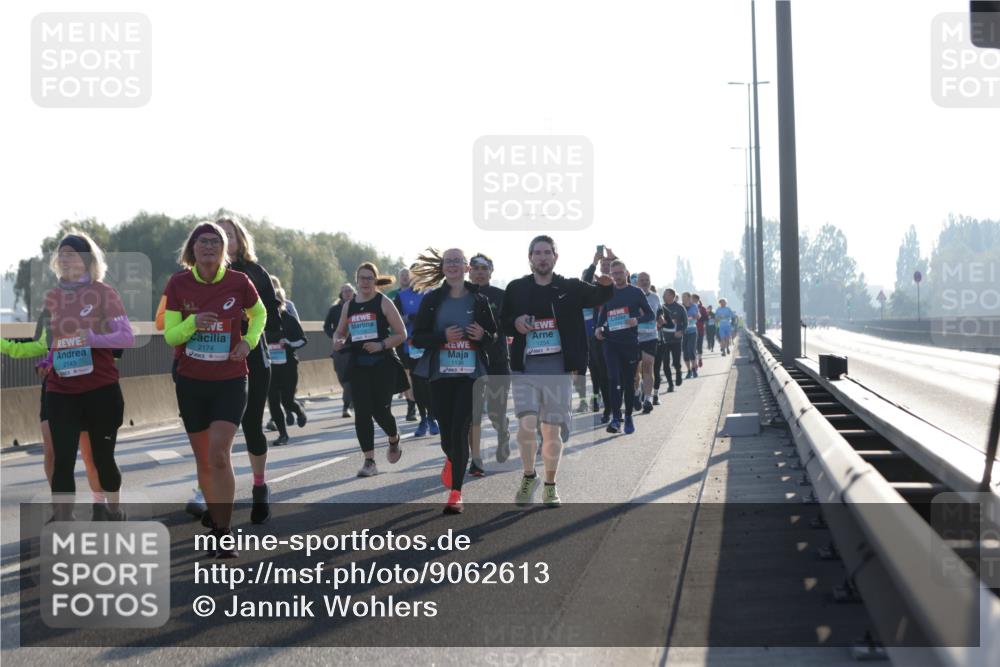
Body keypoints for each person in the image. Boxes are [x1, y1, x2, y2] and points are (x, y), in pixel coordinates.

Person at [3, 233, 133, 521]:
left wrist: (92, 338)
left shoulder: (103, 293)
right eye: (61, 255)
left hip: (101, 388)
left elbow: (126, 336)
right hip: (61, 390)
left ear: (87, 260)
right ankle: (63, 520)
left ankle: (112, 510)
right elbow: (56, 341)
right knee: (61, 460)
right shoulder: (54, 298)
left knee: (102, 460)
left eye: (70, 254)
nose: (64, 259)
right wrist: (49, 359)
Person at [164, 221, 265, 557]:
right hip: (191, 381)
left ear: (225, 250)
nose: (208, 247)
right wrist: (194, 323)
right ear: (192, 249)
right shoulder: (178, 283)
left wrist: (248, 342)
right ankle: (218, 521)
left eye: (215, 242)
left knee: (219, 454)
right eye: (202, 241)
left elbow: (259, 312)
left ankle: (224, 533)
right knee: (204, 461)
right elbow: (171, 335)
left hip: (230, 379)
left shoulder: (238, 281)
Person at [502, 235, 613, 507]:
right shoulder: (516, 288)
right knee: (526, 425)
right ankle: (529, 475)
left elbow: (599, 295)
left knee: (551, 432)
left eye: (547, 253)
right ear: (530, 258)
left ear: (555, 257)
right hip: (525, 368)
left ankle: (550, 484)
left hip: (557, 369)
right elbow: (502, 322)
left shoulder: (570, 287)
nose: (542, 257)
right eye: (537, 253)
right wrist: (515, 322)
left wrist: (606, 275)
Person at [411, 248, 498, 513]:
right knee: (447, 434)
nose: (452, 266)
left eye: (457, 262)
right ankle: (453, 458)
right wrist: (441, 337)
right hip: (440, 375)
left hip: (470, 376)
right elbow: (417, 338)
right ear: (443, 267)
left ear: (466, 267)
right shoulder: (432, 300)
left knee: (461, 428)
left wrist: (482, 334)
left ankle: (456, 493)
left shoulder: (479, 299)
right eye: (448, 262)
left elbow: (493, 336)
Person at [215, 217, 282, 525]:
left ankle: (259, 486)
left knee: (252, 425)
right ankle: (209, 492)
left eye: (228, 235)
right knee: (217, 430)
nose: (223, 241)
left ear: (240, 240)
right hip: (215, 360)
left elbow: (271, 316)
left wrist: (246, 320)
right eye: (217, 237)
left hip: (253, 357)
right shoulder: (201, 277)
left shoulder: (254, 273)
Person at [332, 263, 408, 477]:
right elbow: (339, 332)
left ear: (375, 281)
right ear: (356, 280)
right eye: (361, 278)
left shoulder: (383, 302)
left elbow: (401, 334)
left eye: (369, 278)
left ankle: (393, 438)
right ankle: (370, 461)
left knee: (380, 411)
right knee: (362, 413)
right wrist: (337, 341)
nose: (364, 282)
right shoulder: (349, 305)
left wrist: (381, 345)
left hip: (382, 363)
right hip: (358, 365)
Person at [595, 260, 654, 435]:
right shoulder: (607, 292)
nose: (617, 276)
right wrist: (598, 328)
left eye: (620, 273)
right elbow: (601, 314)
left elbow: (650, 314)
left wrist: (637, 320)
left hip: (629, 344)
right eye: (614, 274)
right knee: (613, 379)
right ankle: (616, 418)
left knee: (629, 382)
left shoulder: (635, 293)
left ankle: (628, 416)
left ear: (626, 273)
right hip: (610, 343)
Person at [468, 252, 510, 469]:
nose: (480, 273)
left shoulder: (501, 296)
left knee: (495, 412)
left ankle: (503, 432)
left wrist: (486, 332)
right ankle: (475, 459)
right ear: (469, 271)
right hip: (469, 362)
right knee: (472, 413)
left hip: (497, 360)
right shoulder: (461, 294)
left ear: (491, 272)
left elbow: (506, 326)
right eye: (476, 269)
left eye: (484, 269)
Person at [393, 266, 440, 437]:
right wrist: (410, 318)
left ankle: (433, 417)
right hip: (411, 346)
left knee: (430, 382)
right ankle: (423, 419)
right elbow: (395, 319)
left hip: (430, 345)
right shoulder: (401, 296)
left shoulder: (431, 293)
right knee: (418, 384)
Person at [266, 281, 308, 446]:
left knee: (287, 401)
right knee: (273, 401)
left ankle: (298, 410)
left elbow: (303, 340)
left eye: (276, 302)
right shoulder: (262, 321)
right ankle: (283, 434)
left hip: (288, 366)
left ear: (282, 302)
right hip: (269, 367)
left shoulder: (289, 320)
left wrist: (289, 342)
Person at [581, 248, 615, 422]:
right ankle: (608, 408)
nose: (607, 266)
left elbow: (624, 272)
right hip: (597, 335)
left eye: (609, 264)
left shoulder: (619, 283)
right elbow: (584, 282)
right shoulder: (594, 285)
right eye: (604, 264)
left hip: (617, 335)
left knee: (617, 373)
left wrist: (614, 257)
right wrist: (593, 263)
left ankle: (617, 408)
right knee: (602, 373)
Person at [323, 284, 356, 418]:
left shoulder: (357, 306)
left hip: (354, 348)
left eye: (349, 291)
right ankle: (351, 398)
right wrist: (334, 336)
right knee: (342, 378)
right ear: (341, 294)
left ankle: (346, 406)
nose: (347, 293)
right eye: (345, 291)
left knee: (349, 379)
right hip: (340, 349)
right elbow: (326, 326)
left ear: (353, 293)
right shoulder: (335, 309)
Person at [635, 272, 661, 413]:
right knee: (635, 372)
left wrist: (661, 318)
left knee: (648, 366)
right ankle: (637, 392)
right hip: (634, 337)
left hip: (650, 336)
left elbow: (660, 312)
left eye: (647, 280)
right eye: (642, 280)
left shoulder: (655, 297)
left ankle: (648, 398)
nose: (645, 282)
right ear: (637, 282)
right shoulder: (632, 295)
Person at [659, 288, 687, 392]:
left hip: (676, 339)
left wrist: (682, 332)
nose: (663, 296)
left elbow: (686, 322)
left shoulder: (680, 308)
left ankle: (678, 371)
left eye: (665, 295)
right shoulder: (661, 308)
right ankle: (670, 384)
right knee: (665, 363)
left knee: (676, 362)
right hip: (664, 339)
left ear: (672, 296)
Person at [682, 292, 699, 379]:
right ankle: (688, 371)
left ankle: (694, 369)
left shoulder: (694, 306)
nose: (683, 298)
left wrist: (694, 317)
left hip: (692, 331)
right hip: (683, 332)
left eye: (684, 297)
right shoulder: (680, 306)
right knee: (685, 353)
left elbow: (698, 316)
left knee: (691, 350)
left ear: (689, 298)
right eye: (682, 297)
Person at [693, 293, 708, 369]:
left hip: (700, 329)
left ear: (698, 300)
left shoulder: (702, 308)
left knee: (699, 346)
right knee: (693, 347)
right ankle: (694, 363)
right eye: (692, 299)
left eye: (695, 299)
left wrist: (699, 318)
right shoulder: (689, 307)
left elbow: (706, 318)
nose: (694, 300)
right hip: (691, 330)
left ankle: (700, 359)